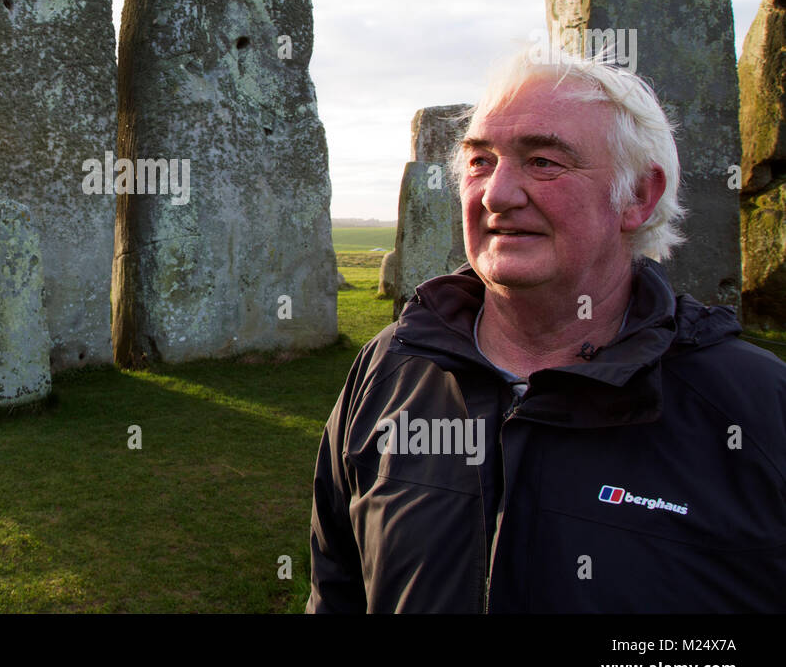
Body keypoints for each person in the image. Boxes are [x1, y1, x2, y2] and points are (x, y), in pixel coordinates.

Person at [307, 46, 786, 612]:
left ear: (638, 196)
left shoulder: (755, 411)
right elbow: (337, 588)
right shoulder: (392, 367)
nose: (496, 195)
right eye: (480, 160)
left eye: (544, 162)